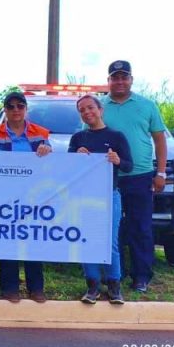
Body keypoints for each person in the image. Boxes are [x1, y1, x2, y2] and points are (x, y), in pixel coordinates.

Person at [0, 92, 53, 303]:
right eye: (11, 106)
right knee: (6, 240)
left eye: (20, 106)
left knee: (33, 239)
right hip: (3, 196)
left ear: (26, 109)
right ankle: (9, 287)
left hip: (33, 197)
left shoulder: (41, 133)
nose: (16, 110)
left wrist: (47, 149)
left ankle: (36, 288)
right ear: (5, 110)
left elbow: (52, 163)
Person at [100, 60, 167, 294]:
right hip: (108, 177)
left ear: (131, 79)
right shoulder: (98, 107)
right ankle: (111, 274)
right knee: (109, 227)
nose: (119, 81)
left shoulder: (147, 105)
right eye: (114, 77)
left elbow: (160, 139)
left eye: (123, 77)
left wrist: (160, 172)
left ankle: (141, 276)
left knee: (141, 227)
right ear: (108, 81)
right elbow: (87, 136)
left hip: (140, 175)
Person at [69, 95, 132, 305]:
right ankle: (92, 286)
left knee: (111, 242)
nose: (87, 113)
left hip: (109, 195)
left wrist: (118, 160)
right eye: (82, 110)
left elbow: (129, 166)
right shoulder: (78, 138)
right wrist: (76, 156)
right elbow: (67, 167)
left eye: (90, 108)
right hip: (85, 197)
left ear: (100, 109)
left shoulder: (117, 136)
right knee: (87, 240)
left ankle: (114, 286)